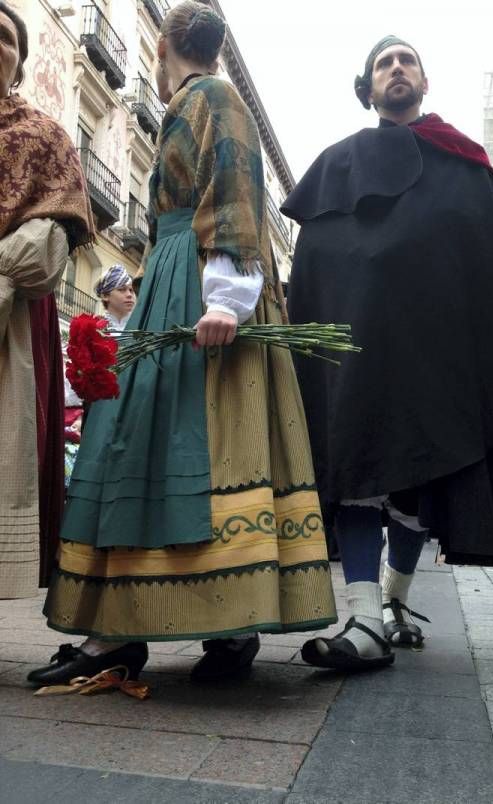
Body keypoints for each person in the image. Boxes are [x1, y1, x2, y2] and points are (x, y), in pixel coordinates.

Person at [28, 1, 335, 687]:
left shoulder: (213, 96)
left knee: (180, 440)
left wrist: (224, 297)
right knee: (156, 440)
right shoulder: (198, 99)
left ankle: (218, 624)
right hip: (175, 277)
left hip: (199, 283)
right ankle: (164, 630)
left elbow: (233, 187)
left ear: (164, 47)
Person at [282, 36, 493, 670]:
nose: (396, 69)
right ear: (367, 87)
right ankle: (365, 617)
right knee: (355, 473)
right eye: (383, 63)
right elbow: (313, 268)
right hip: (358, 349)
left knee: (420, 474)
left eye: (406, 61)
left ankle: (395, 604)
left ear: (423, 82)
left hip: (437, 354)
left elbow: (490, 270)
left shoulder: (467, 164)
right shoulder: (336, 165)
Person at [0, 2, 94, 600]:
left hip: (9, 318)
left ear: (19, 62)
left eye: (4, 37)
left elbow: (57, 231)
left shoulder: (43, 134)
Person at [94, 264, 136, 330]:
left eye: (131, 290)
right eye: (122, 289)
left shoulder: (144, 326)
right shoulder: (94, 329)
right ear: (105, 295)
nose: (129, 295)